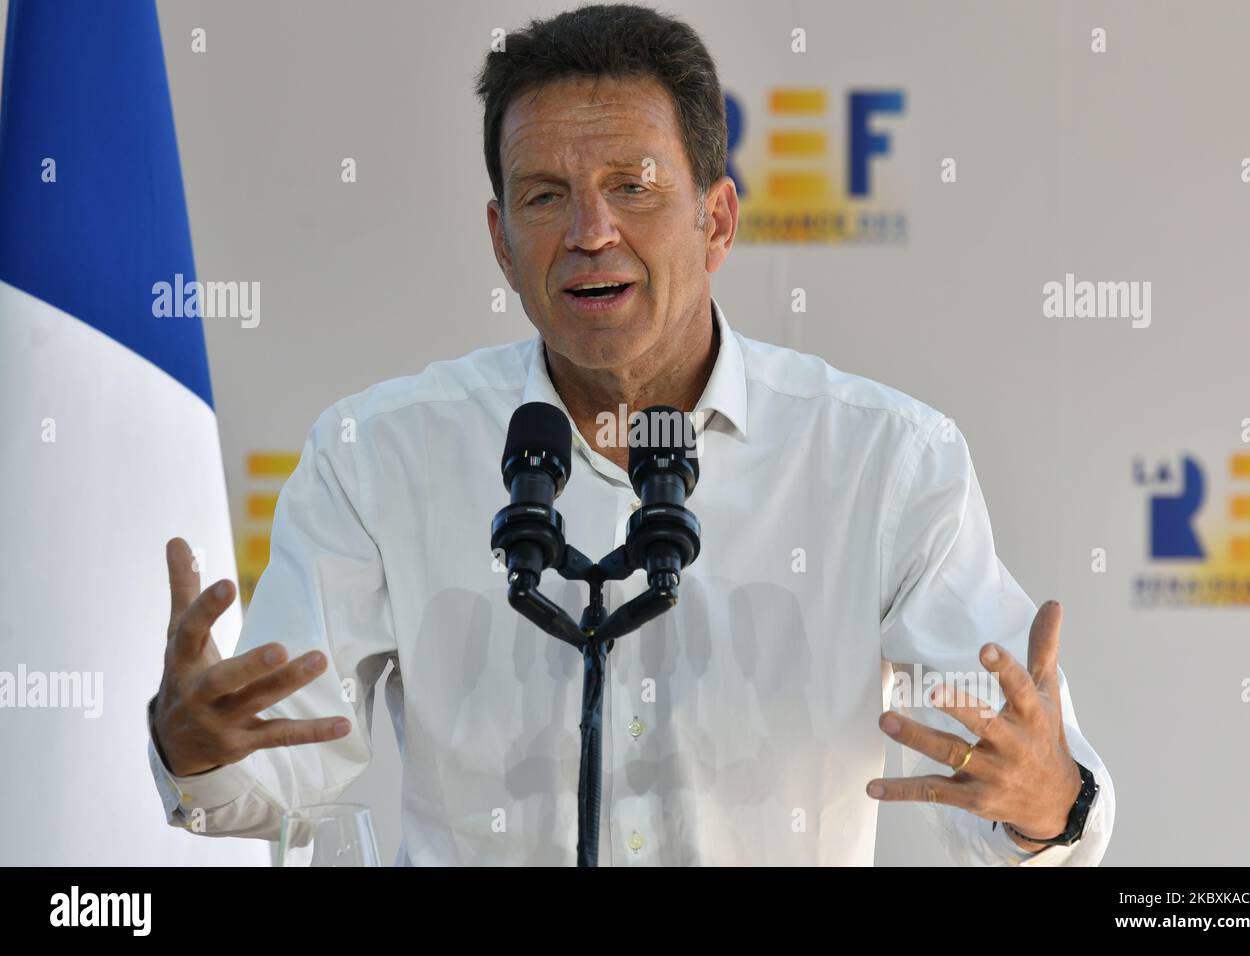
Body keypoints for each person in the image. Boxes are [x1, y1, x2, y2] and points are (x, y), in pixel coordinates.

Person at [149, 3, 1114, 865]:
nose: (590, 231)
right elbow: (273, 773)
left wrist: (1046, 806)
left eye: (635, 187)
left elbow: (1017, 798)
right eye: (543, 197)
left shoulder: (887, 462)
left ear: (718, 220)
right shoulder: (378, 456)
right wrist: (193, 751)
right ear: (499, 240)